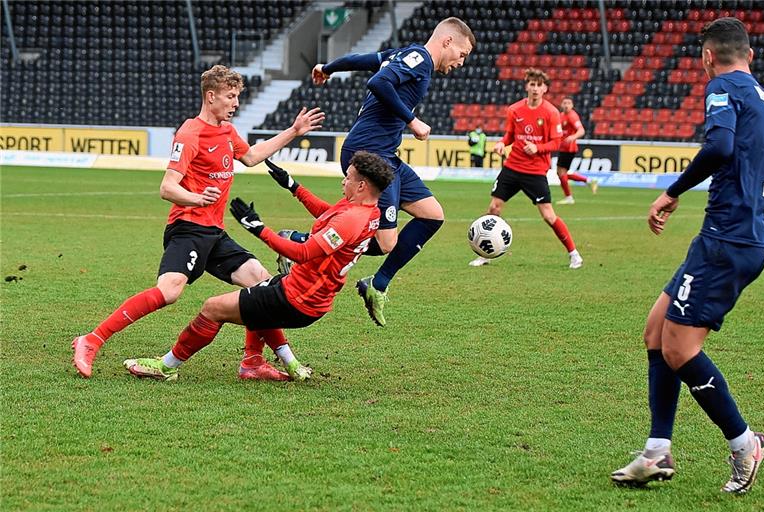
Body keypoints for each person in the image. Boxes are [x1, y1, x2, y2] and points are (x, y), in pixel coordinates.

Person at [72, 64, 324, 381]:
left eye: (237, 97)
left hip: (215, 234)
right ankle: (91, 340)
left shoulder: (227, 132)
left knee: (260, 282)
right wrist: (196, 198)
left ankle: (253, 362)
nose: (235, 103)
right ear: (211, 96)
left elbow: (251, 156)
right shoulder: (190, 133)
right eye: (230, 97)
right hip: (188, 228)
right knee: (169, 292)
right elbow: (168, 187)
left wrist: (293, 131)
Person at [611, 17, 764, 494]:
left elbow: (718, 145)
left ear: (706, 58)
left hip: (728, 239)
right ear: (750, 55)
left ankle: (745, 444)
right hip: (739, 235)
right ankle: (657, 451)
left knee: (680, 348)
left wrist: (672, 191)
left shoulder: (722, 88)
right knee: (656, 331)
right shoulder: (762, 98)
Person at [122, 152, 395, 381]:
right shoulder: (368, 212)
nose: (343, 181)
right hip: (308, 295)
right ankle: (270, 364)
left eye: (348, 177)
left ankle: (166, 367)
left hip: (297, 298)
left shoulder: (352, 219)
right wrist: (292, 186)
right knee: (256, 292)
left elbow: (302, 253)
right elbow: (328, 213)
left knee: (212, 308)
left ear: (362, 185)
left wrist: (258, 228)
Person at [309, 17, 475, 326]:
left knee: (432, 214)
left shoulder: (405, 54)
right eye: (462, 54)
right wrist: (412, 121)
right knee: (386, 242)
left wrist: (328, 68)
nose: (461, 62)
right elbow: (377, 82)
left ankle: (378, 284)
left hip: (387, 154)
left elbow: (364, 61)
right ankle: (302, 242)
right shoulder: (421, 59)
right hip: (371, 153)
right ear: (447, 41)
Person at [469, 68, 583, 269]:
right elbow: (510, 135)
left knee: (548, 215)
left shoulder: (551, 113)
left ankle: (574, 254)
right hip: (512, 167)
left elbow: (557, 143)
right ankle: (484, 254)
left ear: (545, 88)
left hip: (536, 171)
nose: (535, 89)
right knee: (494, 208)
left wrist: (537, 148)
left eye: (539, 85)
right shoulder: (515, 110)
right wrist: (501, 144)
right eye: (532, 84)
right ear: (527, 86)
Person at [555, 97, 597, 204]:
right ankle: (588, 181)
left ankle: (569, 197)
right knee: (562, 173)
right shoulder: (561, 116)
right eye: (564, 103)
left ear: (572, 105)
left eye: (569, 103)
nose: (566, 105)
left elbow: (581, 130)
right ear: (561, 104)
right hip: (563, 147)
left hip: (569, 148)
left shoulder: (572, 116)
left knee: (561, 172)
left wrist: (573, 137)